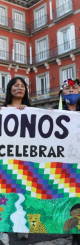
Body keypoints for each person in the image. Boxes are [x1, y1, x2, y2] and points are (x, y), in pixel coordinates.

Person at [0, 77, 31, 245]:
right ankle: (3, 232)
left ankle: (21, 225)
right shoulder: (0, 109)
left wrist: (28, 112)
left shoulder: (31, 111)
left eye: (22, 85)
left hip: (25, 159)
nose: (19, 88)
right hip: (4, 159)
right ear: (10, 90)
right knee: (4, 194)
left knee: (22, 193)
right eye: (16, 85)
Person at [52, 78, 80, 245]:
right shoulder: (54, 111)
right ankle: (76, 237)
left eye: (74, 88)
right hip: (65, 164)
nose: (71, 91)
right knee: (72, 201)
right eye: (67, 89)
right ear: (62, 93)